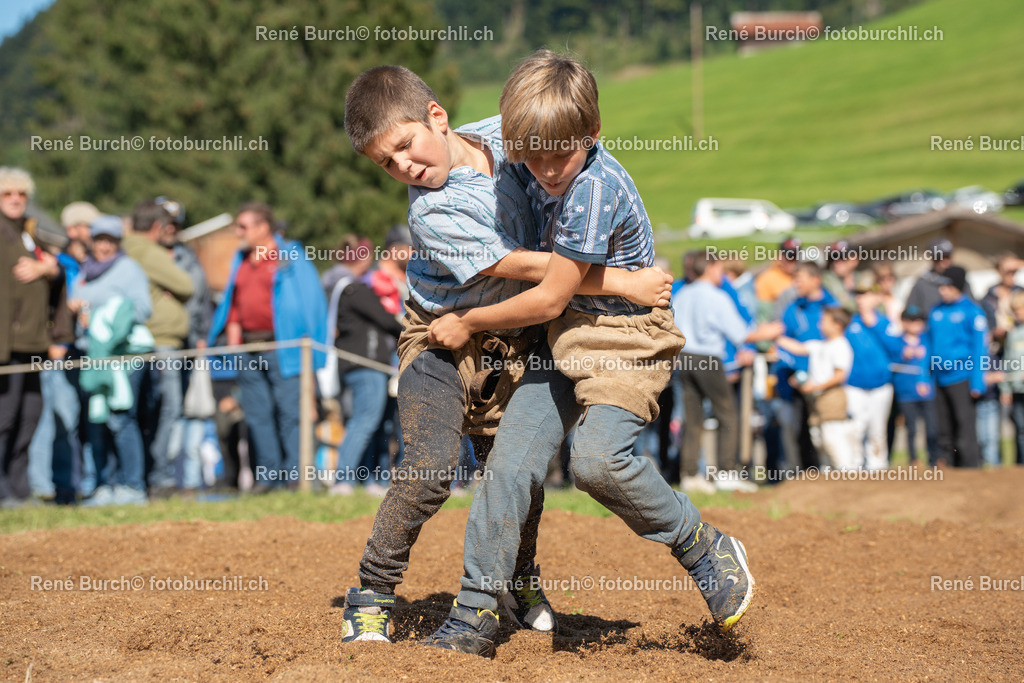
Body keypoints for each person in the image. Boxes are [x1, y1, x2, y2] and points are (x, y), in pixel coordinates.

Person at [423, 51, 754, 657]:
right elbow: (476, 135)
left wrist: (464, 320)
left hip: (625, 337)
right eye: (533, 153)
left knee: (597, 462)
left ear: (593, 134)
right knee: (509, 463)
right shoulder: (523, 150)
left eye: (562, 153)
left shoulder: (595, 189)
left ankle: (700, 544)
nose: (547, 169)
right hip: (562, 337)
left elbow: (550, 295)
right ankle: (473, 611)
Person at [338, 64, 674, 645]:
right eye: (385, 164)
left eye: (404, 146)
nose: (403, 168)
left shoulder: (506, 133)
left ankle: (519, 582)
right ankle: (370, 592)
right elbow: (530, 269)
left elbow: (567, 141)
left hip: (516, 337)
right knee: (431, 466)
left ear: (436, 118)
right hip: (441, 334)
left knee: (516, 474)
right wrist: (622, 279)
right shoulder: (430, 211)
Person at [207, 202, 328, 489]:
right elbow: (233, 305)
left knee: (291, 414)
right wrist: (233, 338)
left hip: (284, 350)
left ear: (263, 228)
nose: (238, 232)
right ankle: (269, 478)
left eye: (243, 226)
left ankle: (298, 479)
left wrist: (313, 351)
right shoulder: (242, 260)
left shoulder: (291, 258)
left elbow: (312, 305)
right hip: (248, 351)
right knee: (258, 416)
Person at [672, 252, 783, 492]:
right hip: (709, 358)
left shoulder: (682, 294)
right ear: (711, 268)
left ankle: (689, 474)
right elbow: (741, 334)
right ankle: (726, 471)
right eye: (719, 269)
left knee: (693, 419)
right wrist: (770, 331)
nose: (721, 274)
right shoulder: (717, 296)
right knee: (727, 413)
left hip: (685, 358)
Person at [0, 167, 73, 507]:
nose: (15, 199)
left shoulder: (30, 233)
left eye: (21, 194)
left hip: (35, 346)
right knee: (5, 418)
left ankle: (20, 489)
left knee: (30, 417)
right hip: (5, 347)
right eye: (7, 193)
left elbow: (62, 265)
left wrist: (48, 268)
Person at [69, 215, 153, 506]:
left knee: (121, 419)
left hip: (123, 356)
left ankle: (133, 486)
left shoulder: (128, 269)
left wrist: (105, 316)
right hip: (92, 356)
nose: (104, 246)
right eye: (99, 240)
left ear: (118, 243)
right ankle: (103, 485)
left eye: (110, 241)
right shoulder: (85, 272)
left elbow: (142, 308)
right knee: (97, 421)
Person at [321, 234, 403, 495]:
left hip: (356, 365)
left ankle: (369, 480)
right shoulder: (354, 288)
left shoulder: (337, 287)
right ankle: (344, 479)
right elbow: (387, 321)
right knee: (365, 420)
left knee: (372, 422)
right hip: (366, 364)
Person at [27, 201, 98, 504]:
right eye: (86, 226)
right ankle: (48, 487)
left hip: (84, 352)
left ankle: (74, 484)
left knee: (76, 421)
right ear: (72, 230)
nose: (90, 233)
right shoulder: (60, 265)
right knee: (54, 420)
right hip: (56, 353)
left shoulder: (89, 265)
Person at [125, 199, 195, 493]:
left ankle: (147, 476)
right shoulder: (147, 251)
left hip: (146, 344)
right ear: (156, 227)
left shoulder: (124, 249)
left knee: (145, 410)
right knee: (167, 408)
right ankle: (160, 477)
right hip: (161, 343)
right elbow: (188, 286)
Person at [775, 307, 855, 470]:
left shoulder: (840, 346)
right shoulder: (820, 345)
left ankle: (847, 474)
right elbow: (797, 348)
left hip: (831, 397)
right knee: (819, 439)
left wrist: (816, 386)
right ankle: (828, 476)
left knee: (832, 438)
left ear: (837, 325)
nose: (820, 324)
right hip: (816, 399)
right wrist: (774, 336)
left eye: (824, 321)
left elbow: (840, 376)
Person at [776, 262, 837, 470]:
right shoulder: (792, 309)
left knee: (829, 431)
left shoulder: (833, 307)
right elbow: (782, 343)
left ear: (816, 279)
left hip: (829, 382)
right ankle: (800, 476)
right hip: (798, 381)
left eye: (800, 279)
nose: (796, 284)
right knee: (798, 431)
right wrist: (798, 370)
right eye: (795, 279)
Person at [926, 266, 987, 468]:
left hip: (962, 377)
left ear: (957, 287)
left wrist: (977, 382)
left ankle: (970, 467)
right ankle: (948, 468)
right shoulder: (935, 311)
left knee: (964, 426)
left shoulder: (972, 311)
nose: (942, 291)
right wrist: (924, 376)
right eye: (941, 287)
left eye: (947, 286)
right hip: (938, 378)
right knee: (944, 428)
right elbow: (928, 345)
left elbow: (980, 349)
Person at [844, 280, 902, 470]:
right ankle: (854, 467)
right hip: (854, 385)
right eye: (858, 295)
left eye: (866, 294)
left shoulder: (885, 323)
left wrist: (874, 323)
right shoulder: (849, 323)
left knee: (877, 430)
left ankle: (878, 468)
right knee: (855, 429)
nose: (861, 299)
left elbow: (897, 349)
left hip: (881, 385)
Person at [892, 306, 938, 467]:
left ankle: (934, 459)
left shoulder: (927, 340)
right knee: (911, 429)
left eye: (918, 320)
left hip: (927, 392)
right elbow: (890, 364)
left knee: (932, 428)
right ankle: (913, 460)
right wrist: (902, 356)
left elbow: (929, 365)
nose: (914, 324)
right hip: (905, 393)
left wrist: (924, 382)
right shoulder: (897, 342)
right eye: (910, 321)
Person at [998, 291, 1024, 466]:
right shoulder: (1013, 333)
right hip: (1017, 388)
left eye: (1020, 309)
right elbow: (1007, 361)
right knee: (1020, 427)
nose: (1018, 313)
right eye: (1015, 310)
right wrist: (1005, 388)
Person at [906, 237, 955, 315]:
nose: (944, 262)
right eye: (939, 257)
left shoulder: (959, 281)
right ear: (932, 259)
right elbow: (911, 312)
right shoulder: (922, 284)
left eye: (947, 257)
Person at [754, 237, 800, 306]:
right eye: (789, 256)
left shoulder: (802, 275)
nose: (793, 260)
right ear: (780, 256)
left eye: (796, 256)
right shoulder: (766, 279)